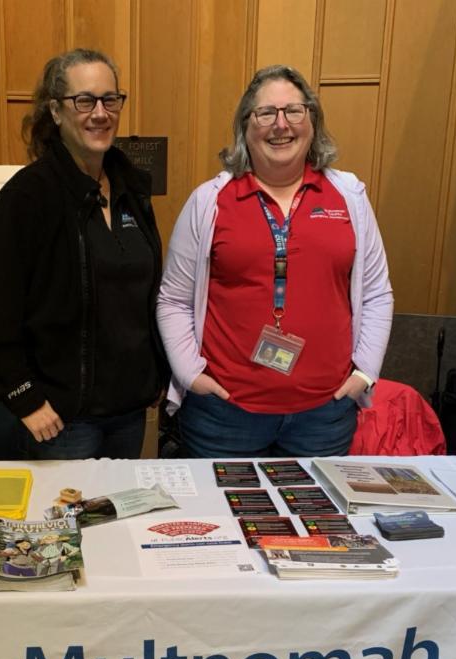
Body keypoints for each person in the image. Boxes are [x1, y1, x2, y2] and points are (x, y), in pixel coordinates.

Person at [156, 64, 394, 457]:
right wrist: (190, 374)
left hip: (325, 414)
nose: (280, 125)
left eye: (294, 111)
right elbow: (174, 300)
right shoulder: (209, 201)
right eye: (266, 113)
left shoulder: (349, 197)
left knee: (314, 519)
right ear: (245, 127)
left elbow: (376, 295)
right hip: (224, 415)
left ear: (312, 122)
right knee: (223, 519)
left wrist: (365, 372)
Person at [0, 48, 168, 459]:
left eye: (110, 99)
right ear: (56, 112)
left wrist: (156, 373)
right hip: (62, 420)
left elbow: (143, 295)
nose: (100, 113)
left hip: (129, 412)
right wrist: (24, 397)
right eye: (84, 101)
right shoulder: (26, 199)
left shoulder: (132, 189)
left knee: (118, 523)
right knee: (72, 525)